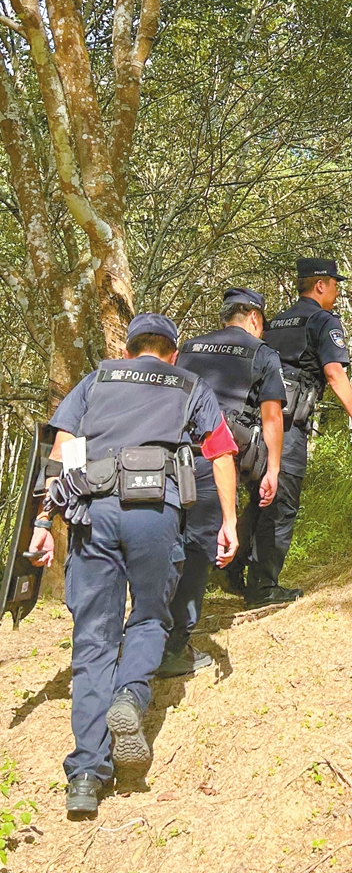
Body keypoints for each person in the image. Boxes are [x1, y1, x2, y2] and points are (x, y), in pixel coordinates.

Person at [25, 313, 239, 816]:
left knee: (93, 638)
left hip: (93, 512)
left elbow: (61, 452)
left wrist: (42, 521)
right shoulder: (189, 384)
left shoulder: (98, 379)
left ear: (128, 350)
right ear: (172, 351)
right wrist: (229, 520)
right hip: (155, 514)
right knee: (147, 617)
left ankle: (83, 774)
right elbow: (221, 452)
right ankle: (130, 696)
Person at [157, 288, 286, 676]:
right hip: (216, 460)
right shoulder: (262, 353)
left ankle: (148, 630)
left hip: (167, 455)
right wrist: (273, 469)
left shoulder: (190, 346)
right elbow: (273, 418)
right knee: (198, 549)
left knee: (163, 542)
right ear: (253, 317)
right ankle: (173, 648)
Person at [235, 257, 352, 605]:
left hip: (258, 422)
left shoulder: (276, 322)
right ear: (320, 285)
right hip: (289, 426)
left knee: (260, 497)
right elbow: (334, 372)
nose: (337, 292)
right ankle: (263, 588)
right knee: (280, 504)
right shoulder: (323, 321)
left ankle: (234, 571)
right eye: (335, 285)